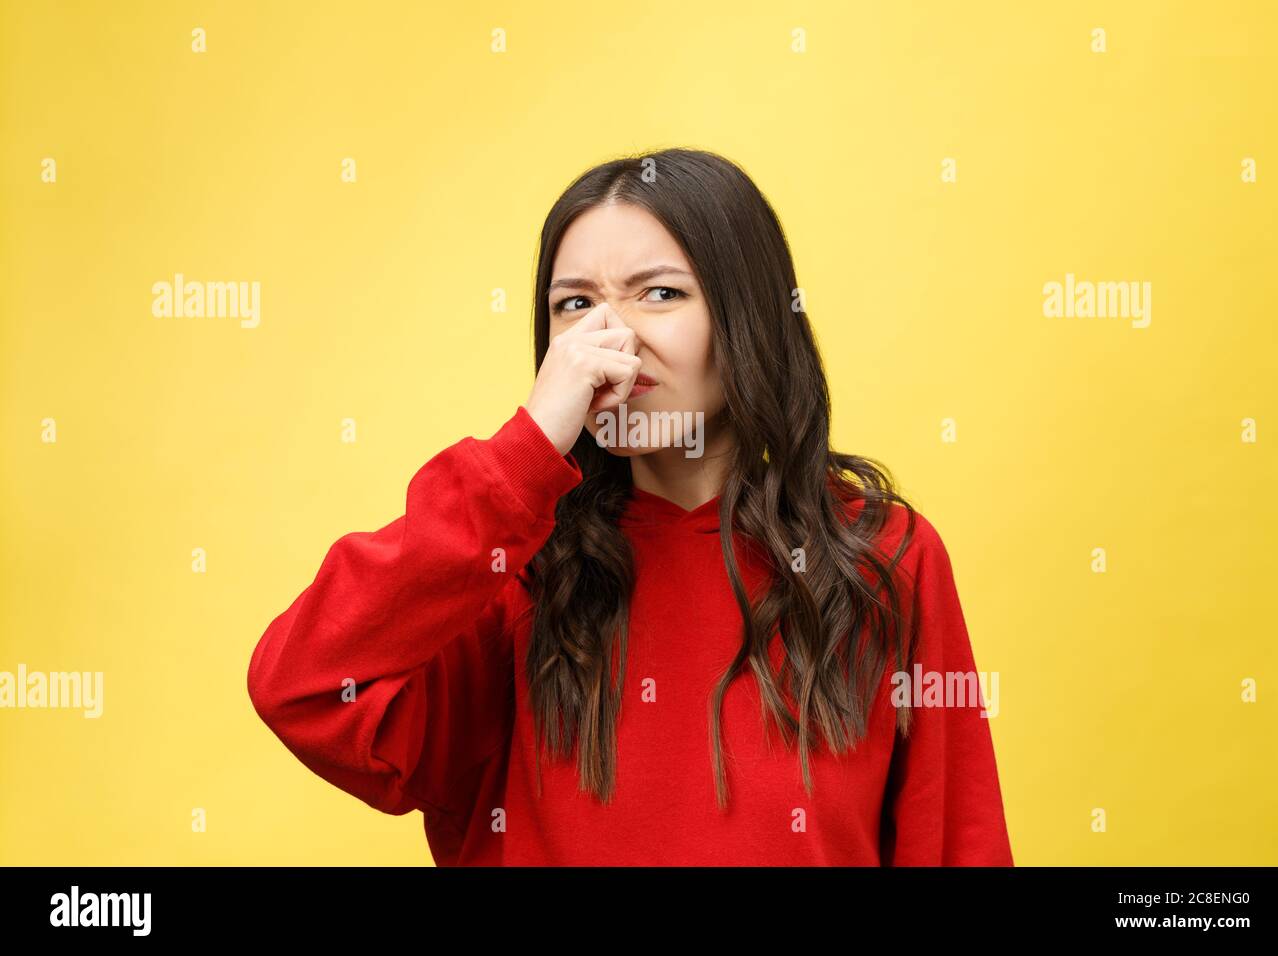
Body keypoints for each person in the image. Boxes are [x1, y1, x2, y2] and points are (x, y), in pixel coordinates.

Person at [246, 147, 1014, 866]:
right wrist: (523, 457)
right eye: (574, 304)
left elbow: (955, 841)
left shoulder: (883, 557)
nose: (610, 337)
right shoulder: (510, 576)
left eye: (660, 293)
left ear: (746, 316)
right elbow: (302, 686)